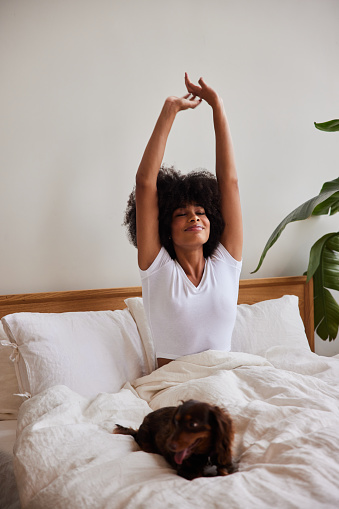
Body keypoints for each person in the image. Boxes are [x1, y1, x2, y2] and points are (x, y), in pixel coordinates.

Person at [124, 73, 243, 368]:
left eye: (201, 212)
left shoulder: (226, 264)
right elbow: (145, 184)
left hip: (226, 381)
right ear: (166, 226)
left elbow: (229, 182)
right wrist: (170, 109)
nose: (194, 217)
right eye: (181, 214)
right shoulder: (158, 268)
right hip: (173, 388)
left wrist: (217, 107)